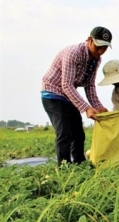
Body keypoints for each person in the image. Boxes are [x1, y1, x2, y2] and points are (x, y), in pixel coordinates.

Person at [41, 26, 111, 165]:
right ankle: (64, 168)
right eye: (98, 46)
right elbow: (66, 84)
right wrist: (86, 108)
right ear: (90, 40)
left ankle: (79, 164)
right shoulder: (73, 53)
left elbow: (89, 85)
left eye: (104, 48)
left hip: (68, 95)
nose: (101, 51)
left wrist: (97, 106)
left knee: (78, 133)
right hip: (52, 93)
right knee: (64, 133)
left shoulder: (96, 59)